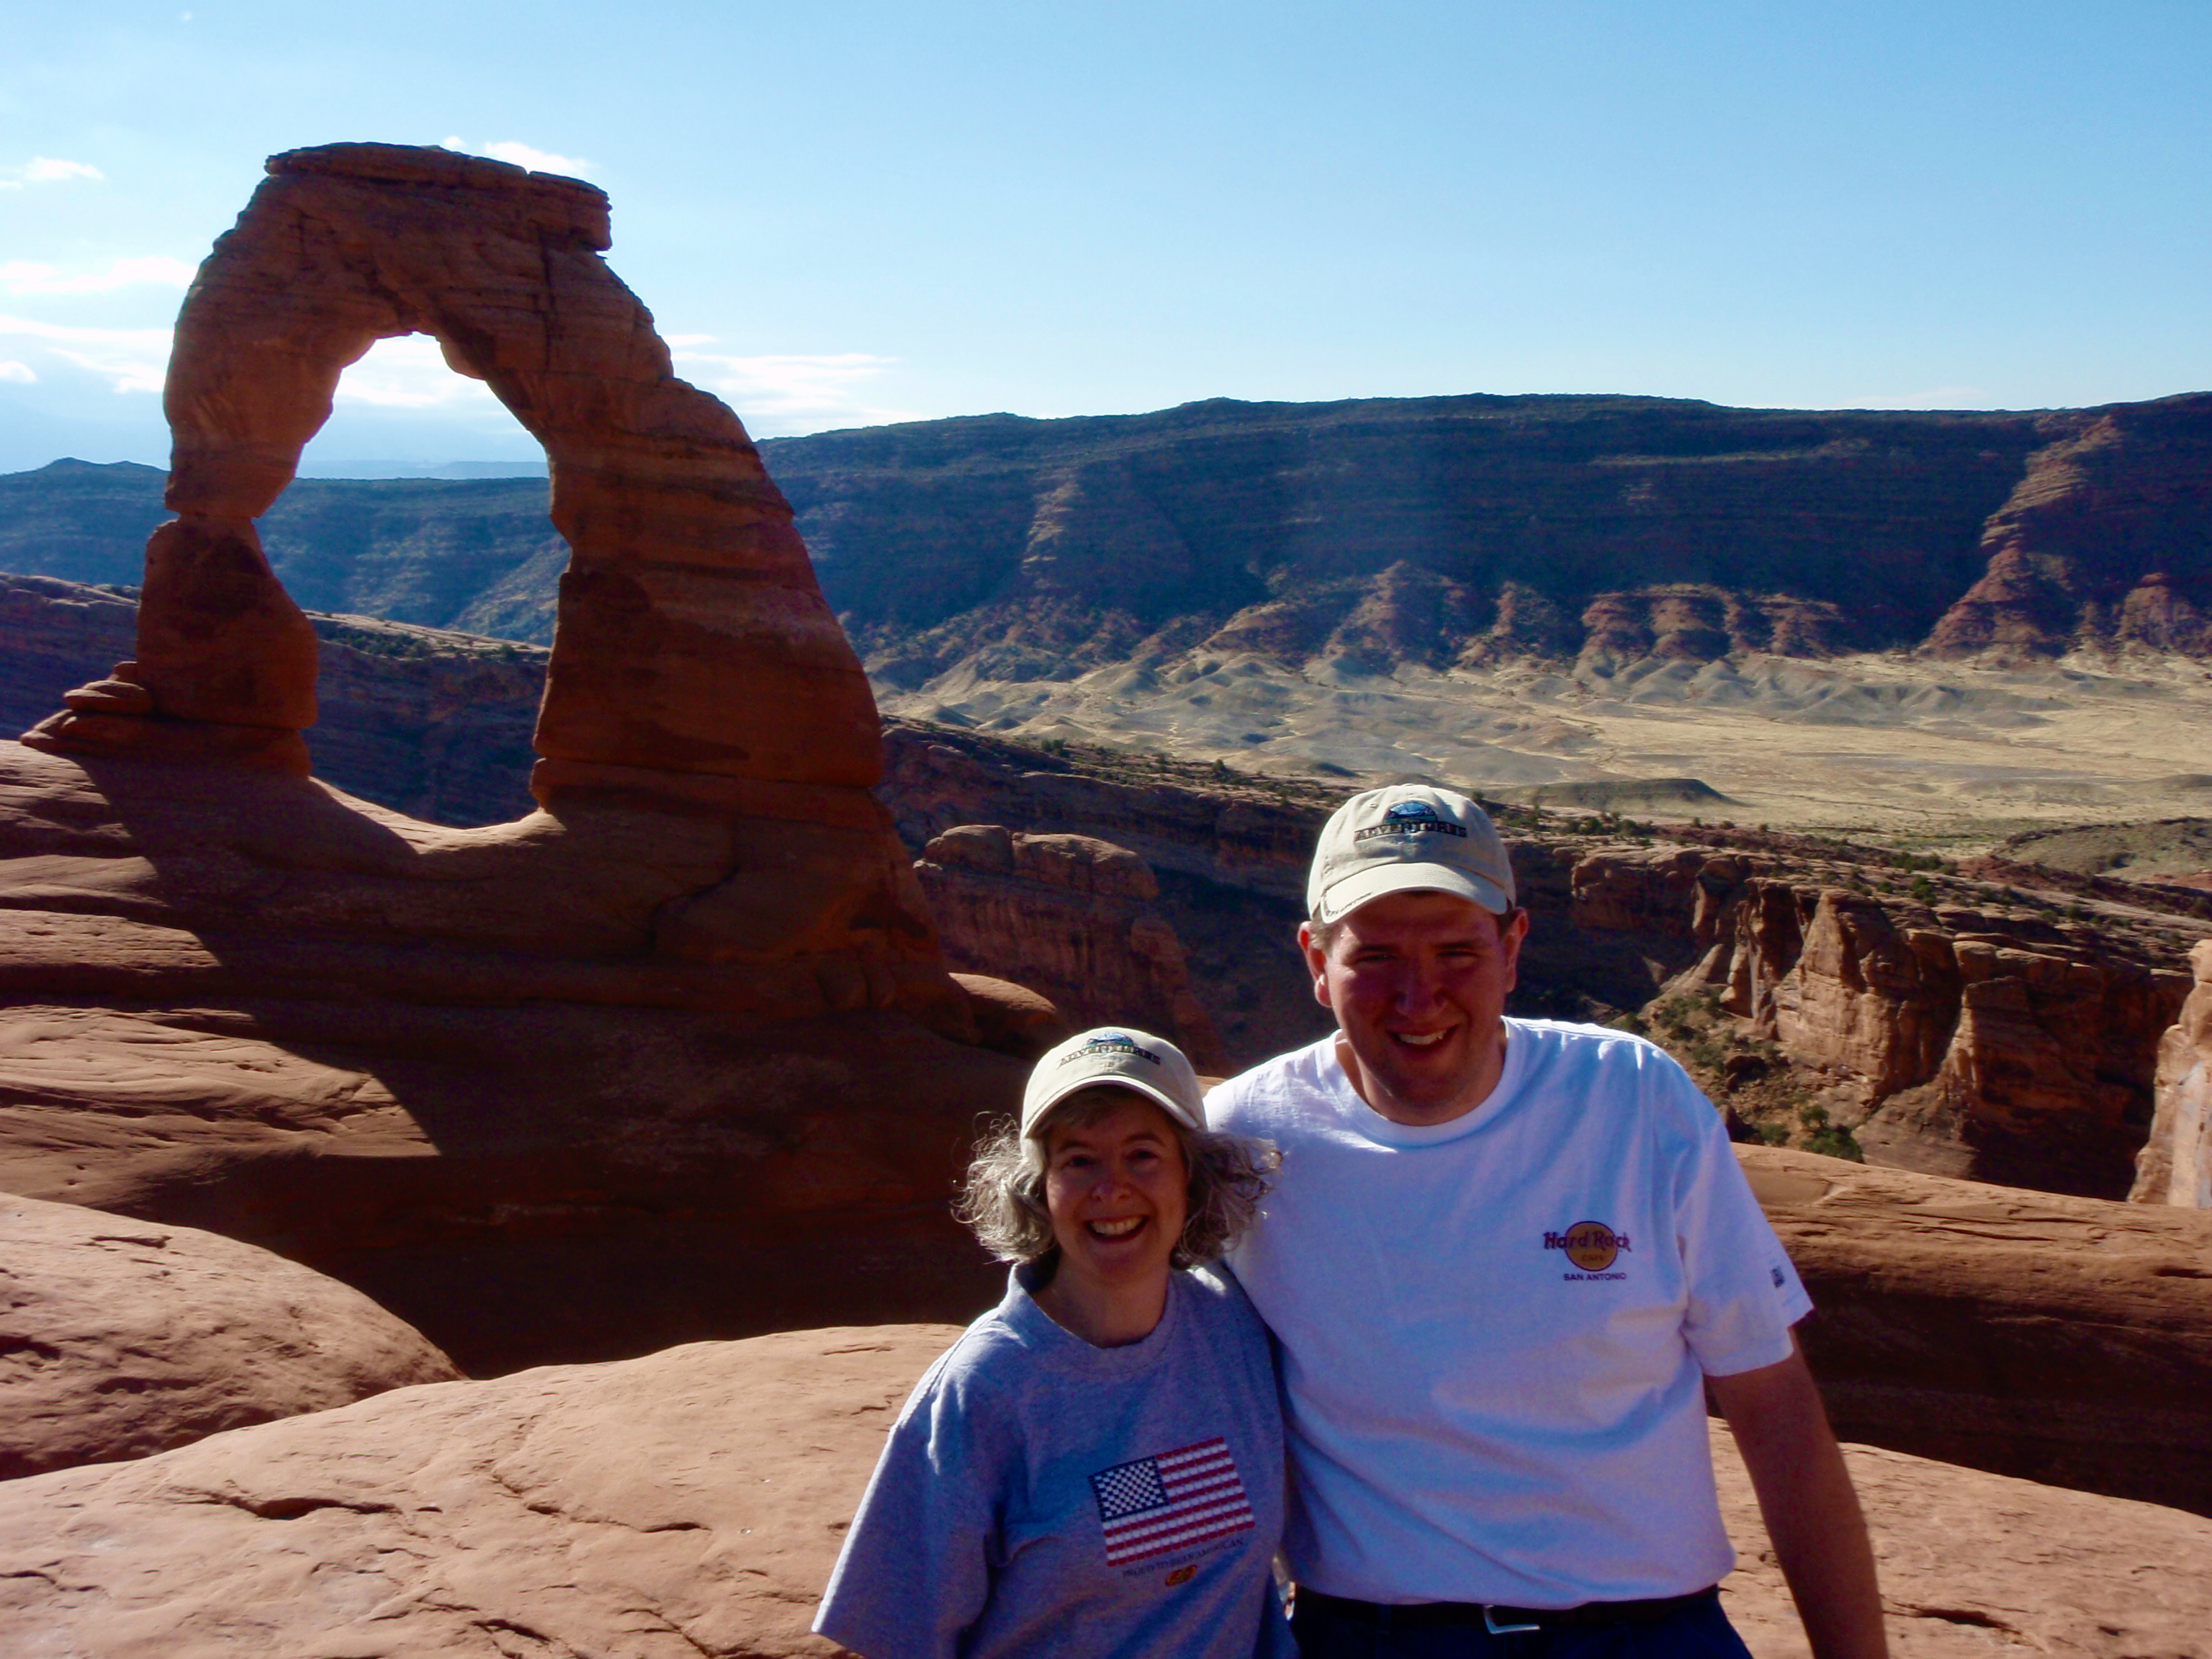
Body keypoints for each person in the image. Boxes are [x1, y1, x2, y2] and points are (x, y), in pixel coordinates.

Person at [1205, 785, 1889, 1659]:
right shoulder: (1244, 1141)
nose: (1419, 997)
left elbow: (1776, 1403)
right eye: (1374, 957)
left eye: (1457, 951)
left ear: (1514, 946)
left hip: (1650, 1636)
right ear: (1314, 957)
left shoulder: (1636, 1098)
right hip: (1374, 1641)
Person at [815, 1026, 1297, 1659]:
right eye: (1079, 1160)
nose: (1111, 1188)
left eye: (1144, 1154)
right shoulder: (985, 1390)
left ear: (1193, 1175)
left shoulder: (1230, 1325)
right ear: (1038, 1189)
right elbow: (898, 1634)